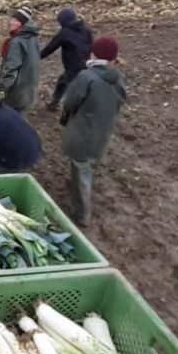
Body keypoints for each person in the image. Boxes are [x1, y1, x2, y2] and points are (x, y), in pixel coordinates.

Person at [59, 36, 127, 228]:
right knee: (87, 162)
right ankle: (77, 187)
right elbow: (119, 102)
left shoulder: (86, 77)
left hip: (82, 132)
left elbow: (70, 101)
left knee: (81, 168)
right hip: (102, 131)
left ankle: (82, 214)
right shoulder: (119, 78)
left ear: (94, 54)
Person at [41, 6, 94, 111]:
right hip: (87, 65)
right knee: (62, 82)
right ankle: (54, 104)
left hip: (73, 67)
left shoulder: (64, 32)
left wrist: (38, 56)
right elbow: (92, 45)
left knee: (73, 91)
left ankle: (75, 111)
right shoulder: (86, 29)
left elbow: (51, 47)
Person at [0, 5, 41, 114]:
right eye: (12, 19)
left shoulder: (16, 42)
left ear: (22, 23)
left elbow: (10, 71)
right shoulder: (33, 37)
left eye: (15, 20)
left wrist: (1, 94)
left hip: (15, 94)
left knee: (8, 120)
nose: (11, 22)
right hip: (28, 90)